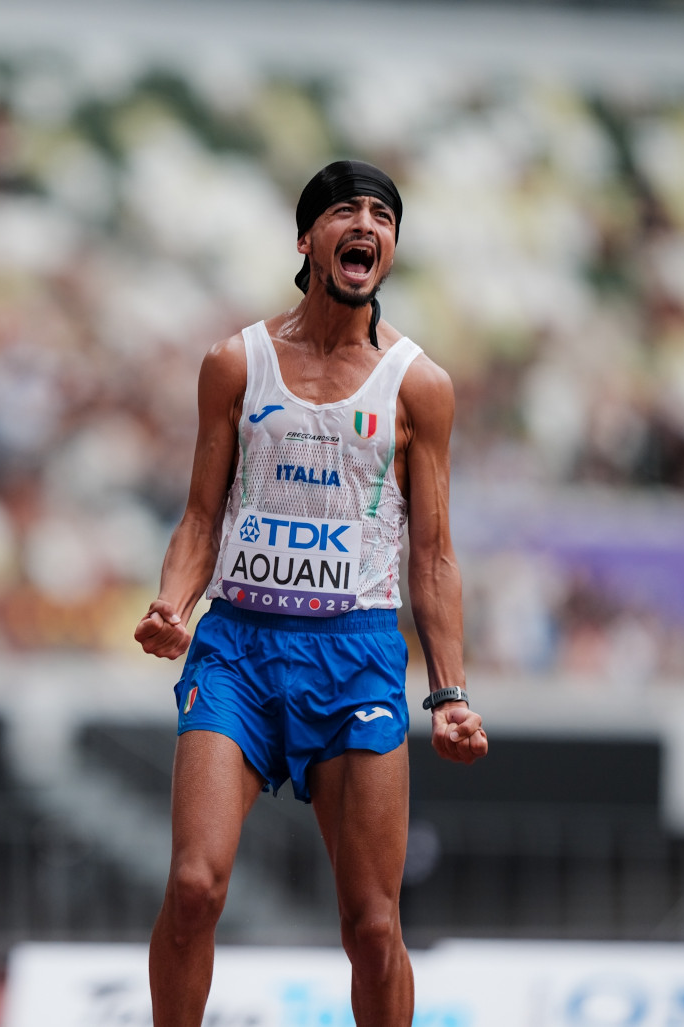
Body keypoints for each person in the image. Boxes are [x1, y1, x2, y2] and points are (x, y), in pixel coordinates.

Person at [134, 159, 488, 1026]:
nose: (366, 225)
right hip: (239, 650)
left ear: (389, 249)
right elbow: (201, 517)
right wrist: (173, 603)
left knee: (372, 925)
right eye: (345, 212)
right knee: (193, 886)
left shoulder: (419, 385)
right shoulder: (236, 363)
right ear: (306, 240)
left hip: (356, 655)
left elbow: (433, 556)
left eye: (382, 216)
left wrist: (450, 692)